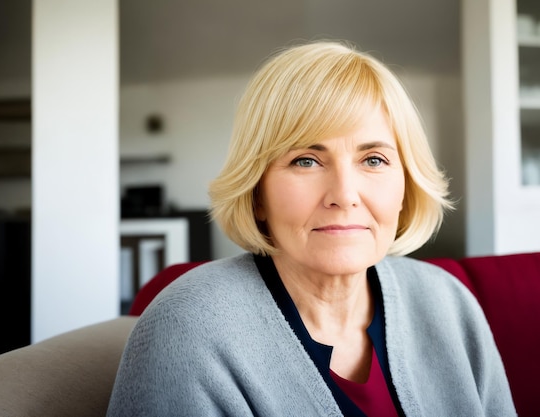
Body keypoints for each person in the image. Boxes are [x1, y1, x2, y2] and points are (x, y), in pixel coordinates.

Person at [107, 40, 516, 417]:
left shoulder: (447, 302)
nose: (345, 195)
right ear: (257, 194)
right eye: (306, 160)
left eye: (373, 160)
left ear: (406, 187)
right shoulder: (186, 328)